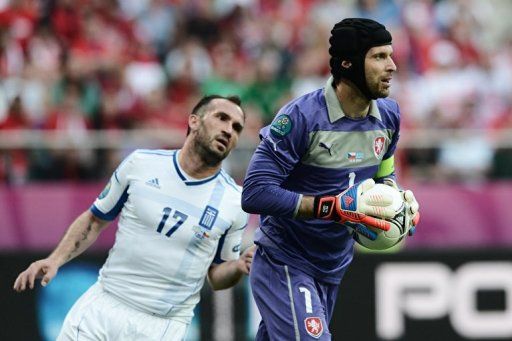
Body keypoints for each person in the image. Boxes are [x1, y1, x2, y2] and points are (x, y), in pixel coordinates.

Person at [14, 95, 255, 340]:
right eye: (221, 118)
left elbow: (217, 277)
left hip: (162, 325)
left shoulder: (235, 202)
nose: (228, 130)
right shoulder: (142, 163)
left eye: (236, 127)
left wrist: (238, 266)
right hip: (104, 305)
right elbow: (95, 219)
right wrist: (55, 260)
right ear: (194, 121)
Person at [242, 18, 420, 340]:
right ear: (348, 64)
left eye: (391, 55)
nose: (392, 66)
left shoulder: (390, 115)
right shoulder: (300, 117)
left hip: (333, 266)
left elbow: (384, 173)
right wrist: (330, 208)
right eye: (379, 57)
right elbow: (254, 193)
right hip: (285, 260)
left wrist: (398, 202)